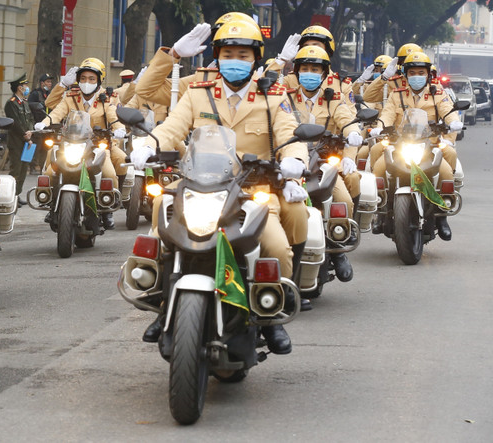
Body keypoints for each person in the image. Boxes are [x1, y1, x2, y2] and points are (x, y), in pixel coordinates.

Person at [129, 20, 308, 354]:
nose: (235, 60)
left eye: (243, 54)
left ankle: (272, 316)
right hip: (199, 185)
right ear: (217, 56)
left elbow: (289, 134)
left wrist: (295, 160)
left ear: (255, 58)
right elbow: (171, 126)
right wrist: (148, 145)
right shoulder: (198, 91)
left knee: (278, 247)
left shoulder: (272, 94)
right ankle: (161, 301)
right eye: (228, 53)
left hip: (251, 193)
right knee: (159, 233)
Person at [285, 45, 364, 288]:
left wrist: (352, 135)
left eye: (315, 69)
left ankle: (338, 249)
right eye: (305, 69)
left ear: (323, 73)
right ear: (297, 72)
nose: (309, 73)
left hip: (323, 162)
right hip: (291, 163)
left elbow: (348, 120)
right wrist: (278, 62)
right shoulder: (284, 98)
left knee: (344, 200)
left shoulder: (334, 99)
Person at [370, 51, 460, 241]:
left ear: (428, 74)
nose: (417, 77)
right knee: (378, 166)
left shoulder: (438, 93)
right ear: (406, 75)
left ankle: (442, 214)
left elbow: (449, 112)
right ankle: (381, 210)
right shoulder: (397, 94)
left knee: (447, 164)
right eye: (412, 73)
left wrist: (453, 124)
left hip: (431, 144)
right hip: (400, 143)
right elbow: (386, 115)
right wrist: (379, 128)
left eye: (421, 72)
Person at [34, 57, 125, 230]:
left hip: (98, 146)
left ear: (99, 80)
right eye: (83, 78)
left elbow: (114, 117)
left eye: (91, 79)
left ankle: (106, 209)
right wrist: (44, 123)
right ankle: (52, 204)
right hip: (72, 143)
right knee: (49, 169)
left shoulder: (107, 97)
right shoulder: (70, 95)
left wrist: (119, 128)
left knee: (111, 173)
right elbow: (56, 112)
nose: (86, 82)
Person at [3, 75, 34, 205]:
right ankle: (12, 196)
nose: (27, 88)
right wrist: (24, 135)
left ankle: (18, 194)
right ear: (20, 88)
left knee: (23, 170)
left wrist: (31, 131)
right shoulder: (11, 103)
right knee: (16, 169)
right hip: (17, 142)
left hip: (28, 142)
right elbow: (14, 122)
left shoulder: (25, 103)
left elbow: (31, 119)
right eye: (25, 86)